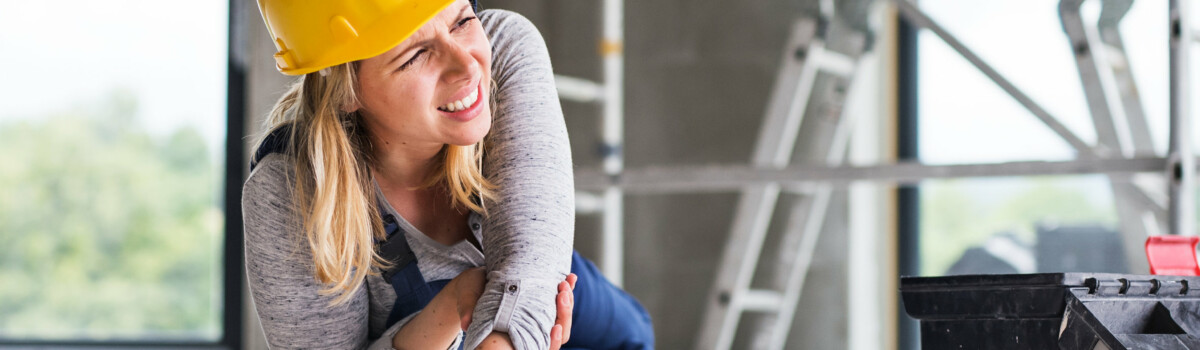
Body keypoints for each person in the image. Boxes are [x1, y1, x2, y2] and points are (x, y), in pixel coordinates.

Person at [241, 0, 654, 349]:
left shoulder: (505, 47)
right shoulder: (290, 195)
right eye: (415, 55)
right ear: (347, 89)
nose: (466, 66)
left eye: (461, 21)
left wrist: (498, 322)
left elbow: (528, 272)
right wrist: (447, 312)